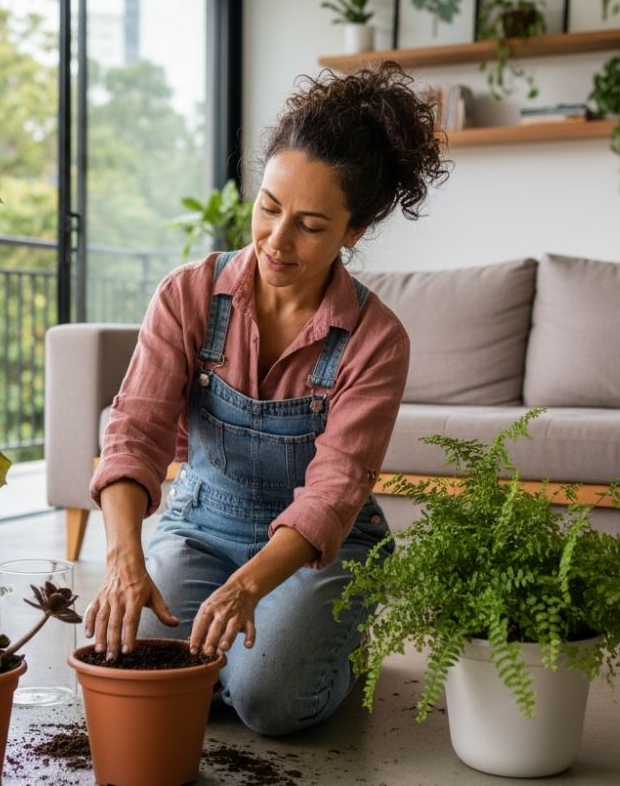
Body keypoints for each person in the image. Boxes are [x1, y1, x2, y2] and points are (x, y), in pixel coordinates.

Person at [84, 61, 447, 736]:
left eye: (310, 225)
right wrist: (122, 558)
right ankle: (270, 644)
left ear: (354, 231)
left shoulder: (376, 339)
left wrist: (250, 587)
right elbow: (134, 431)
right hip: (201, 526)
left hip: (315, 550)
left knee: (267, 703)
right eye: (269, 208)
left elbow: (335, 489)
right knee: (135, 666)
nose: (277, 241)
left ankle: (334, 642)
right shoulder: (188, 294)